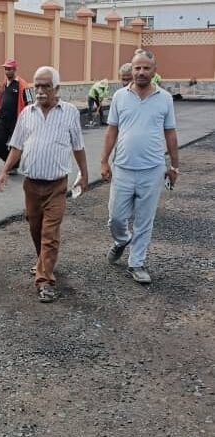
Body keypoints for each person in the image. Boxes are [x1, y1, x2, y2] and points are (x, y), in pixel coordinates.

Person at [0, 66, 88, 303]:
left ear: (56, 88)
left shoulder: (69, 113)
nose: (40, 90)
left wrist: (84, 174)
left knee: (49, 233)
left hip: (57, 186)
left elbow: (78, 147)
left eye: (45, 86)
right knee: (35, 228)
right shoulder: (27, 113)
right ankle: (43, 262)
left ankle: (45, 281)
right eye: (37, 85)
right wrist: (4, 171)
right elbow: (17, 146)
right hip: (31, 185)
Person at [100, 49, 179, 284]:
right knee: (116, 217)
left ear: (154, 70)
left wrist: (174, 167)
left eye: (146, 68)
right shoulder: (119, 97)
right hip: (123, 168)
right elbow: (111, 130)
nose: (141, 72)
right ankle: (121, 240)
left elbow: (170, 133)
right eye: (137, 68)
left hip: (153, 169)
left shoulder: (165, 98)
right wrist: (104, 161)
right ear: (132, 70)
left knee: (145, 220)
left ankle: (137, 263)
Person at [0, 59, 33, 172]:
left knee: (14, 145)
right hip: (3, 119)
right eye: (6, 69)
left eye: (9, 69)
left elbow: (30, 102)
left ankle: (12, 165)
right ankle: (13, 163)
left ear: (15, 69)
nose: (7, 71)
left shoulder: (23, 85)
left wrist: (27, 119)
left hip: (16, 120)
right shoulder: (3, 84)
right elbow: (1, 98)